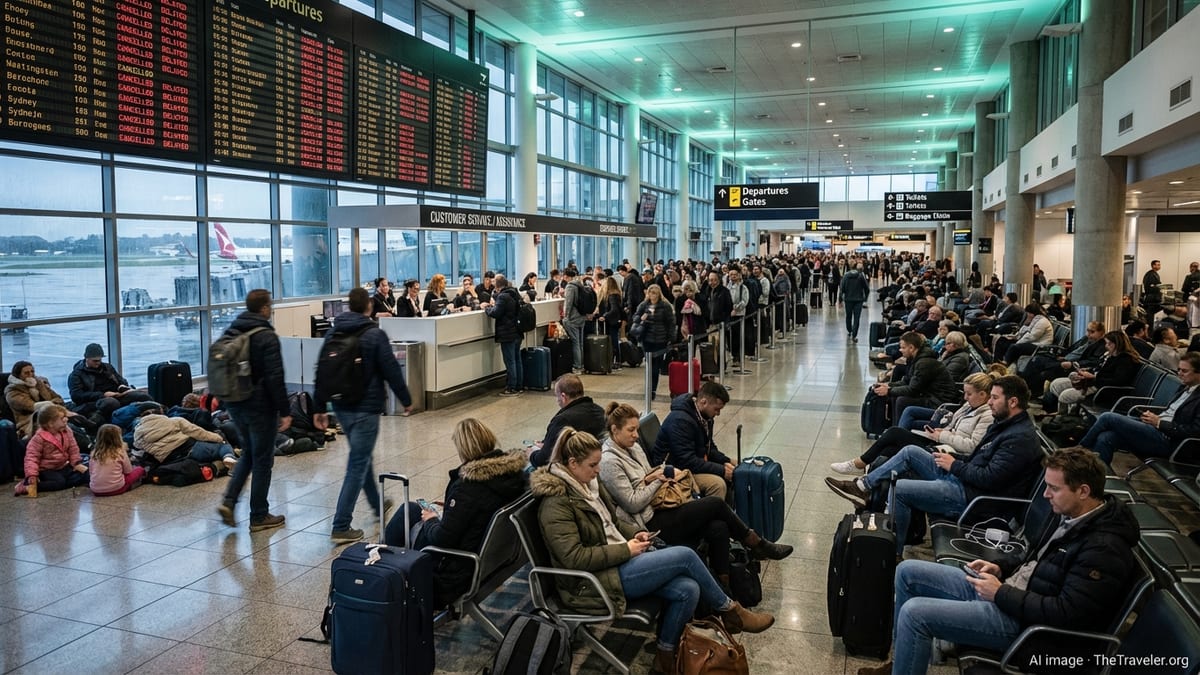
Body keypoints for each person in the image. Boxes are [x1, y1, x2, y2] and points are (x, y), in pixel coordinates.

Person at [858, 447, 1140, 675]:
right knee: (907, 572)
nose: (1045, 495)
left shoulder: (1104, 550)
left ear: (1083, 491)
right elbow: (1035, 559)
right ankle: (902, 665)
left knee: (915, 614)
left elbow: (1068, 613)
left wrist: (1001, 592)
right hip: (1009, 593)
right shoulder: (1073, 515)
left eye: (1053, 488)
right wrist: (1001, 567)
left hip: (1026, 627)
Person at [532, 428, 774, 674]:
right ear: (572, 464)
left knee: (688, 589)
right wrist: (626, 550)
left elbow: (613, 525)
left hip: (614, 563)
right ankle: (731, 610)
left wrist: (633, 535)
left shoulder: (587, 485)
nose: (597, 471)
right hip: (591, 582)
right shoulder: (557, 502)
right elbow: (574, 558)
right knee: (686, 556)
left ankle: (664, 658)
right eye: (593, 465)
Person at [828, 376, 1043, 554]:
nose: (989, 402)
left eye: (995, 398)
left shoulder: (1019, 438)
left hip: (970, 497)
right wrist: (955, 461)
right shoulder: (1005, 426)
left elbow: (990, 478)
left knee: (900, 489)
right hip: (963, 479)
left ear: (1013, 402)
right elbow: (979, 459)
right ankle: (863, 485)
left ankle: (892, 552)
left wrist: (954, 465)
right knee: (910, 452)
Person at [599, 402, 792, 581]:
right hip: (648, 522)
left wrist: (654, 476)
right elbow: (632, 503)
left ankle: (724, 587)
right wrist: (659, 479)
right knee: (715, 504)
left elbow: (647, 475)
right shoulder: (609, 462)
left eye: (637, 430)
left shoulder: (632, 448)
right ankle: (757, 543)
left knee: (719, 527)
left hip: (661, 505)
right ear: (615, 430)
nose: (636, 435)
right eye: (631, 430)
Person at [384, 419, 528, 607]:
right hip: (491, 558)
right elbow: (483, 506)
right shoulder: (511, 476)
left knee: (408, 512)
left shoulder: (468, 486)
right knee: (412, 508)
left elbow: (442, 538)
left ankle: (385, 571)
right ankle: (386, 565)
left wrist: (432, 520)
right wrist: (454, 509)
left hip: (451, 574)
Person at [313, 287, 414, 542]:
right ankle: (341, 525)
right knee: (357, 463)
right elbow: (390, 368)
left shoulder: (334, 331)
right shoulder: (374, 333)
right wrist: (406, 399)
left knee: (362, 456)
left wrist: (318, 407)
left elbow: (322, 370)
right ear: (368, 306)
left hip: (342, 407)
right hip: (366, 407)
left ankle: (377, 504)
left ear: (348, 306)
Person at [217, 289, 292, 532]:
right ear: (264, 308)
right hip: (259, 406)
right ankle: (259, 515)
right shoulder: (265, 336)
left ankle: (229, 501)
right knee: (262, 460)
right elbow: (275, 376)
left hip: (235, 404)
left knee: (249, 453)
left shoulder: (233, 330)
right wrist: (285, 409)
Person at [832, 372, 997, 475]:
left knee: (895, 433)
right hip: (943, 441)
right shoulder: (971, 406)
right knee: (890, 448)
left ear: (983, 395)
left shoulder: (987, 416)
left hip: (949, 453)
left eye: (969, 394)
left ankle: (859, 465)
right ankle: (868, 477)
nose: (965, 397)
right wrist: (943, 430)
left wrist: (943, 435)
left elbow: (972, 446)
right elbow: (955, 425)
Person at [1079, 351, 1200, 464]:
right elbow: (1171, 412)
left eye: (1184, 371)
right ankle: (1097, 477)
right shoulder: (1185, 387)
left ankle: (1079, 451)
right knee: (1106, 437)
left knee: (1107, 417)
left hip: (1170, 440)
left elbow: (1194, 431)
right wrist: (1155, 418)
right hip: (1157, 428)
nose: (1179, 374)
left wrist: (1160, 423)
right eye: (1179, 369)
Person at [650, 381, 734, 499]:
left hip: (687, 463)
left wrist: (727, 461)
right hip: (672, 469)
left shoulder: (704, 416)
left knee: (729, 475)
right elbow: (687, 460)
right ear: (703, 402)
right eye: (716, 409)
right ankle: (711, 516)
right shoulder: (680, 421)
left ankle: (726, 514)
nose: (718, 413)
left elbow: (708, 446)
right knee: (717, 484)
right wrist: (721, 470)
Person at [1041, 330, 1140, 415]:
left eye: (1108, 343)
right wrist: (1087, 371)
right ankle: (1068, 412)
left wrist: (1094, 377)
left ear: (1116, 344)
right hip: (1093, 381)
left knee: (1065, 396)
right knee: (1056, 384)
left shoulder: (1125, 361)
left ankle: (1065, 417)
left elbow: (1118, 381)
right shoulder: (1111, 356)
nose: (1106, 346)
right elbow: (1099, 369)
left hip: (1102, 389)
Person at [870, 332, 960, 420]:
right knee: (896, 395)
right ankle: (895, 427)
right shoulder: (916, 359)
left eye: (903, 347)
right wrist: (889, 385)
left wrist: (889, 391)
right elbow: (906, 381)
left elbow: (913, 390)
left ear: (911, 348)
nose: (900, 350)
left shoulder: (924, 363)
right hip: (929, 395)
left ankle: (899, 431)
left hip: (938, 401)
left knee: (902, 400)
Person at [528, 374, 606, 468]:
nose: (557, 401)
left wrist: (532, 454)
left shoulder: (562, 420)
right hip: (599, 461)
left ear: (563, 396)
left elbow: (544, 459)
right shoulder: (600, 411)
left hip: (575, 468)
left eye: (557, 397)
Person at [67, 343, 154, 422]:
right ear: (87, 358)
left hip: (116, 395)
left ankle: (153, 417)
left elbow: (120, 380)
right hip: (95, 401)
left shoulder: (107, 367)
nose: (98, 363)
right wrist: (102, 394)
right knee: (111, 403)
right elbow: (76, 396)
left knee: (143, 396)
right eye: (95, 361)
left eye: (99, 360)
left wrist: (122, 386)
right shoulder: (76, 375)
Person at [15, 404, 88, 497]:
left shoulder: (67, 430)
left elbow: (73, 448)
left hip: (62, 466)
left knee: (84, 474)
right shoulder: (39, 437)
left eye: (65, 416)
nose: (66, 419)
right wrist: (32, 475)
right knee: (59, 482)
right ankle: (29, 486)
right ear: (50, 423)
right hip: (46, 470)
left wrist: (77, 463)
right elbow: (31, 457)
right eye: (62, 418)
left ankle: (66, 482)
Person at [1018, 321, 1107, 397]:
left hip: (1071, 366)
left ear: (1101, 333)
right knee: (1036, 360)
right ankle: (1024, 388)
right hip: (1064, 359)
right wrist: (1062, 355)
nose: (1088, 334)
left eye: (1092, 332)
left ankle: (1023, 389)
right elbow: (1071, 349)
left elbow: (1092, 361)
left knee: (1040, 366)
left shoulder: (1101, 346)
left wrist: (1072, 364)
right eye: (1087, 331)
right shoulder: (1085, 339)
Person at [134, 413, 238, 470]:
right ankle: (229, 456)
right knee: (222, 446)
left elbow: (140, 449)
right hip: (189, 448)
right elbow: (198, 433)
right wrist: (218, 438)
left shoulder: (137, 434)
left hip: (168, 459)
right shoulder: (174, 421)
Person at [632, 284, 675, 400]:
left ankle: (653, 389)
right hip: (647, 339)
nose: (653, 295)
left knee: (656, 366)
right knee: (649, 365)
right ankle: (648, 389)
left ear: (659, 294)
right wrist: (641, 319)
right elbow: (635, 317)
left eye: (655, 293)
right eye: (651, 293)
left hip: (661, 339)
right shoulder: (644, 305)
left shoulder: (665, 306)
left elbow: (671, 323)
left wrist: (671, 338)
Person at [6, 361, 68, 439]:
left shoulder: (39, 384)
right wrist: (51, 404)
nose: (31, 374)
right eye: (26, 373)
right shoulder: (13, 391)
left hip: (52, 416)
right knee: (64, 427)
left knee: (76, 420)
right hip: (30, 422)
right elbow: (32, 406)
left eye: (32, 371)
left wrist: (51, 404)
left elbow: (59, 398)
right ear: (18, 375)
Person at [485, 274, 524, 397]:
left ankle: (511, 387)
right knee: (517, 359)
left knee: (510, 361)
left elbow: (495, 313)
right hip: (517, 331)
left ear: (497, 285)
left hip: (507, 333)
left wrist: (487, 308)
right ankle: (519, 385)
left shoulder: (502, 297)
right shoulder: (514, 293)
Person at [89, 424, 146, 497]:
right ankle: (142, 480)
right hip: (117, 488)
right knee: (140, 469)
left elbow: (91, 472)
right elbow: (128, 471)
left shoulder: (94, 453)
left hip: (95, 490)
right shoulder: (120, 451)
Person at [561, 268, 591, 374]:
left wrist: (566, 316)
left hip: (573, 318)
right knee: (580, 343)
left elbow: (568, 303)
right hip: (581, 317)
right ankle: (581, 365)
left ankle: (577, 366)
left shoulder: (570, 286)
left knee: (575, 343)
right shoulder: (580, 285)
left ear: (566, 276)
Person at [840, 262, 871, 343]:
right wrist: (865, 299)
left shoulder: (846, 276)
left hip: (848, 299)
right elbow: (867, 289)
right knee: (857, 318)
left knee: (848, 316)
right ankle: (854, 335)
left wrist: (840, 299)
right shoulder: (861, 276)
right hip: (858, 300)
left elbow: (842, 288)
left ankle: (849, 329)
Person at [599, 275, 624, 370]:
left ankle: (616, 361)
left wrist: (604, 316)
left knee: (613, 341)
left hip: (611, 322)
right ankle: (617, 360)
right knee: (614, 340)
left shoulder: (611, 295)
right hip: (615, 321)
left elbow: (614, 309)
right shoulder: (617, 294)